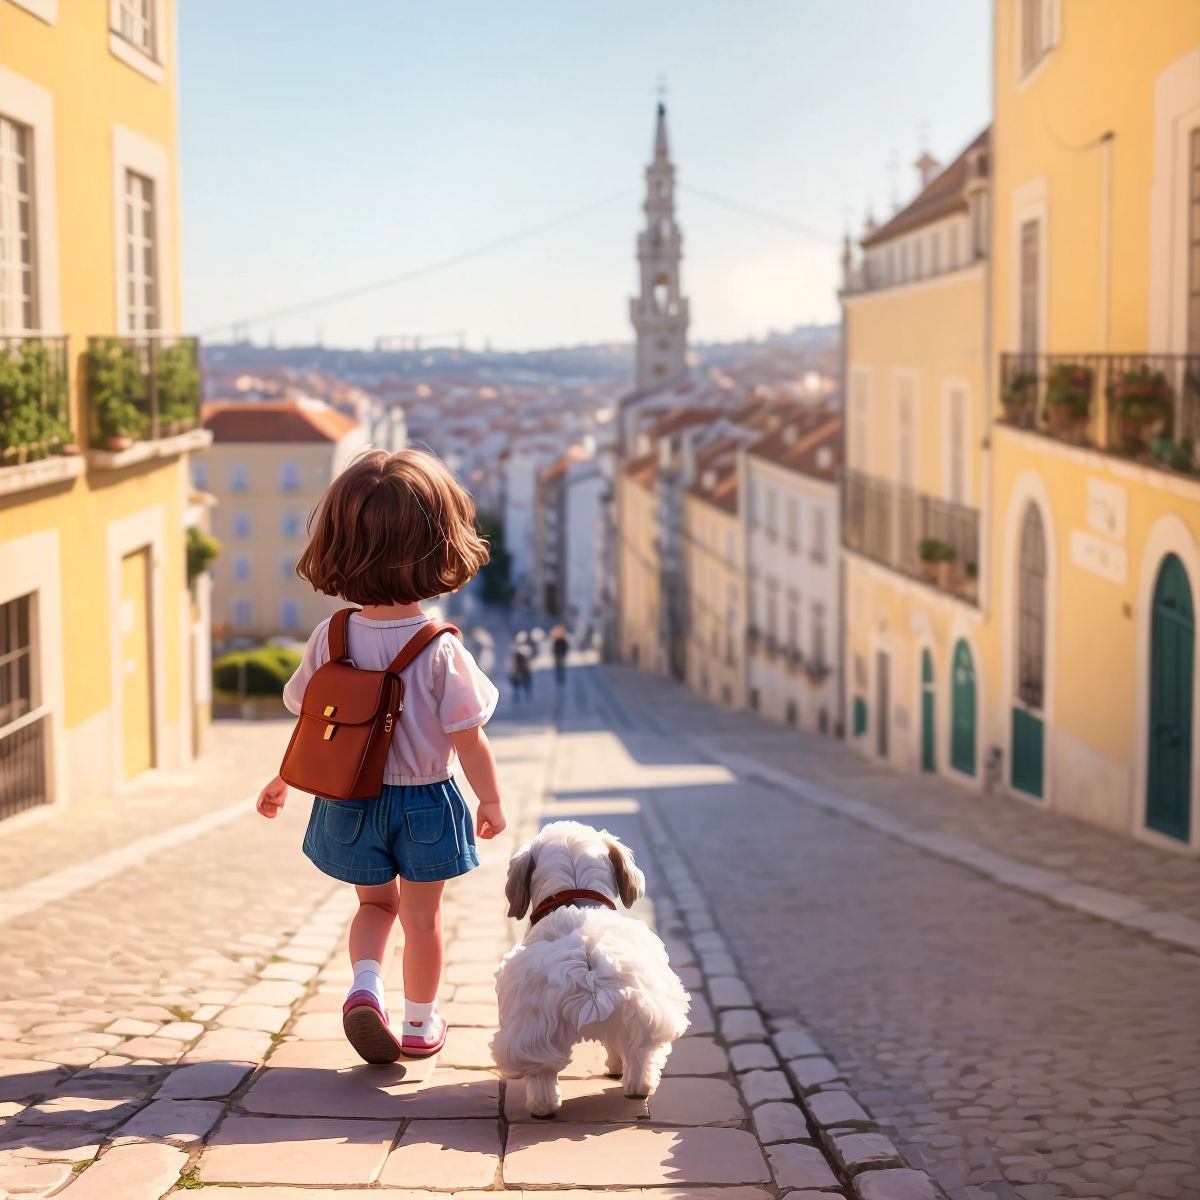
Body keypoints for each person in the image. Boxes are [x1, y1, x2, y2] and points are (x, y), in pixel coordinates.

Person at [255, 449, 507, 1064]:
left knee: (374, 906)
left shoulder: (331, 637)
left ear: (338, 541)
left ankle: (366, 986)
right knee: (423, 919)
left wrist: (284, 780)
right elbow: (469, 736)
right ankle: (421, 1023)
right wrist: (491, 799)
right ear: (443, 542)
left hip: (349, 800)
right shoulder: (440, 649)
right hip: (425, 800)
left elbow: (312, 719)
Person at [509, 633, 533, 701]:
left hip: (522, 669)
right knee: (519, 684)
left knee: (524, 683)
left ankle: (524, 696)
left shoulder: (523, 648)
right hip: (520, 669)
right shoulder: (517, 648)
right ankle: (520, 696)